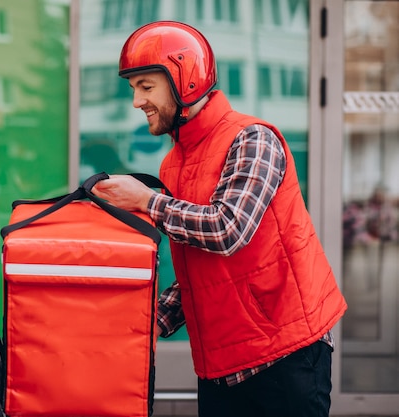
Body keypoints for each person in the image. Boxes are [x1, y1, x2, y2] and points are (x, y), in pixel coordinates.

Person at [91, 21, 348, 417]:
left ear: (185, 79)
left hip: (284, 356)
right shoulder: (175, 162)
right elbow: (203, 265)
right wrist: (153, 321)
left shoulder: (252, 139)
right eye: (133, 89)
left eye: (146, 87)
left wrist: (146, 201)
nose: (136, 102)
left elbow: (228, 229)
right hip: (222, 364)